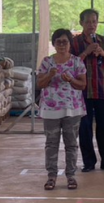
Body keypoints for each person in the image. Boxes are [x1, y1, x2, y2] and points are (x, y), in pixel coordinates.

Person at [70, 8, 104, 173]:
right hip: (82, 91)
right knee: (84, 127)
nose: (91, 25)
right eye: (88, 22)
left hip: (102, 89)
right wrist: (86, 52)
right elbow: (70, 64)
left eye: (94, 21)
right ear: (81, 23)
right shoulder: (74, 43)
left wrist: (103, 54)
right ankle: (88, 162)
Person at [36, 29, 87, 191]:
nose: (62, 45)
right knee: (51, 143)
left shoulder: (77, 62)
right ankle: (51, 176)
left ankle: (71, 175)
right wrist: (50, 75)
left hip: (72, 109)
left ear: (70, 44)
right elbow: (40, 84)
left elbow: (82, 85)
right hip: (51, 110)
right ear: (54, 44)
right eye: (58, 42)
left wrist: (71, 79)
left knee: (71, 144)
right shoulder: (47, 62)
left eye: (65, 41)